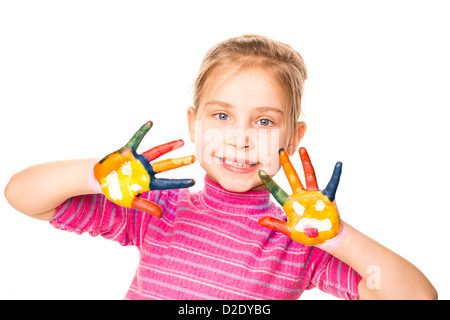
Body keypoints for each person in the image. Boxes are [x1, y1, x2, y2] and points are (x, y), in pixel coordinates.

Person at [4, 34, 436, 300]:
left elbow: (416, 296)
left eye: (264, 121)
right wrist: (94, 175)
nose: (240, 137)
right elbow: (23, 196)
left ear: (293, 138)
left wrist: (340, 237)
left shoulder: (300, 241)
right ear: (193, 123)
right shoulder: (157, 210)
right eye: (222, 116)